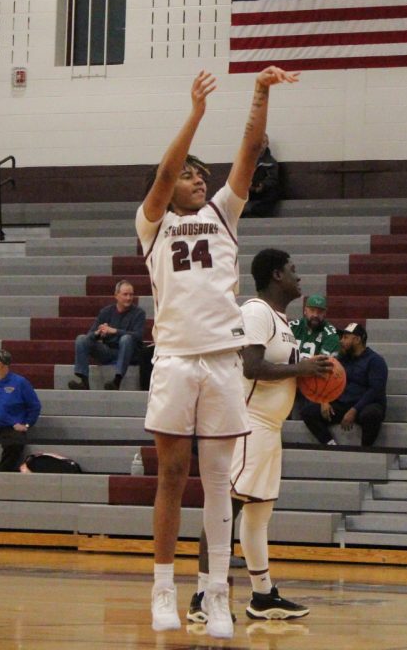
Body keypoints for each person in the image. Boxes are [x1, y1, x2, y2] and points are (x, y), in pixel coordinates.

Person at [137, 66, 298, 639]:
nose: (198, 179)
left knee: (218, 481)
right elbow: (161, 172)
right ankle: (162, 589)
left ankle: (217, 595)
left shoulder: (223, 215)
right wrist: (196, 113)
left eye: (201, 174)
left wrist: (260, 93)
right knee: (172, 476)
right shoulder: (151, 223)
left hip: (223, 362)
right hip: (176, 361)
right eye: (189, 175)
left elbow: (251, 151)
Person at [190, 249, 329, 624]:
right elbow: (251, 367)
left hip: (270, 427)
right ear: (275, 275)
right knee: (226, 509)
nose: (299, 277)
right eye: (293, 269)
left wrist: (314, 378)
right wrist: (300, 367)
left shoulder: (282, 320)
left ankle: (263, 596)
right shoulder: (255, 312)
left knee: (258, 513)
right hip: (249, 423)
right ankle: (203, 595)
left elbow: (280, 368)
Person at [300, 323, 387, 447]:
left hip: (365, 405)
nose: (341, 341)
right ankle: (330, 444)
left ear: (357, 340)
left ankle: (366, 450)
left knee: (371, 414)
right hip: (343, 404)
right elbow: (326, 381)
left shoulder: (375, 360)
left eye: (346, 337)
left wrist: (354, 410)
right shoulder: (341, 360)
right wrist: (324, 401)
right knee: (308, 411)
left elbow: (375, 390)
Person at [70, 280, 147, 391]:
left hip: (129, 353)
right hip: (108, 351)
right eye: (125, 294)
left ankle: (117, 381)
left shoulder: (139, 313)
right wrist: (98, 334)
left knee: (126, 339)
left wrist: (115, 331)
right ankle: (84, 381)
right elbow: (90, 335)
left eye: (131, 294)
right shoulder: (106, 312)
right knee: (81, 339)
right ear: (116, 295)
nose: (129, 298)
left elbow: (138, 336)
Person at [242, 133, 282, 218]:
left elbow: (273, 179)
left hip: (263, 190)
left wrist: (263, 185)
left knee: (276, 190)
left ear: (267, 144)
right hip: (247, 190)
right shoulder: (245, 160)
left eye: (263, 142)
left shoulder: (271, 162)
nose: (261, 145)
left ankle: (256, 211)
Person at [289, 294, 339, 360]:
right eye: (312, 310)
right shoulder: (292, 327)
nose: (315, 315)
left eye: (320, 312)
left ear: (325, 313)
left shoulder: (331, 334)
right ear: (305, 311)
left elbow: (324, 362)